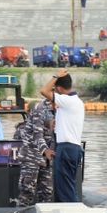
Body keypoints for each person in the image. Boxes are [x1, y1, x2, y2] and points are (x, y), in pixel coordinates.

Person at [44, 71, 85, 203]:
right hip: (72, 148)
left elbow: (44, 91)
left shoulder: (67, 100)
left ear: (60, 88)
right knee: (67, 186)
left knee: (65, 189)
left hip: (66, 148)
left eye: (56, 89)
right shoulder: (75, 102)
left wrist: (55, 76)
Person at [14, 93, 55, 206]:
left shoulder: (59, 109)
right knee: (27, 191)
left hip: (46, 159)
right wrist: (46, 150)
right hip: (31, 156)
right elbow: (38, 135)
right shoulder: (40, 108)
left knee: (47, 192)